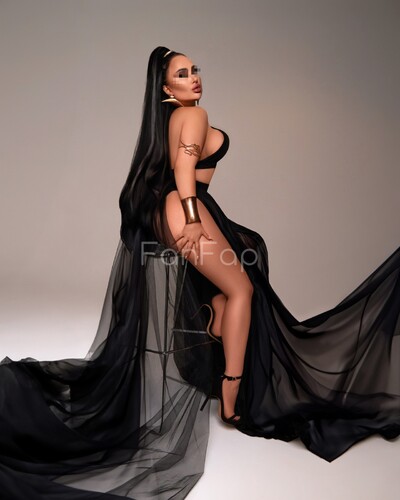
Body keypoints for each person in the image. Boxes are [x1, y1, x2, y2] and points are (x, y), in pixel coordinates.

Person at [0, 46, 399, 499]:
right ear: (165, 88)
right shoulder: (193, 115)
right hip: (183, 207)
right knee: (244, 290)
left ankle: (215, 321)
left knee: (244, 257)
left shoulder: (172, 119)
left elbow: (176, 169)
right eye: (182, 74)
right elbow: (185, 169)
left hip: (170, 208)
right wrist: (191, 218)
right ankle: (229, 397)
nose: (195, 78)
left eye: (195, 70)